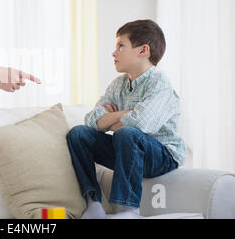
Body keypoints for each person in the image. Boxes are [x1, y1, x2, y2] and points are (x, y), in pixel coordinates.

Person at [67, 19, 186, 219]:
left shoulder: (159, 83)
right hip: (128, 150)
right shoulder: (117, 85)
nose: (114, 53)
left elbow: (141, 124)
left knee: (127, 132)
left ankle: (128, 210)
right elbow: (92, 120)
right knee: (79, 134)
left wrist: (113, 118)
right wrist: (127, 113)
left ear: (143, 50)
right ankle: (93, 203)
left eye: (121, 46)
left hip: (162, 155)